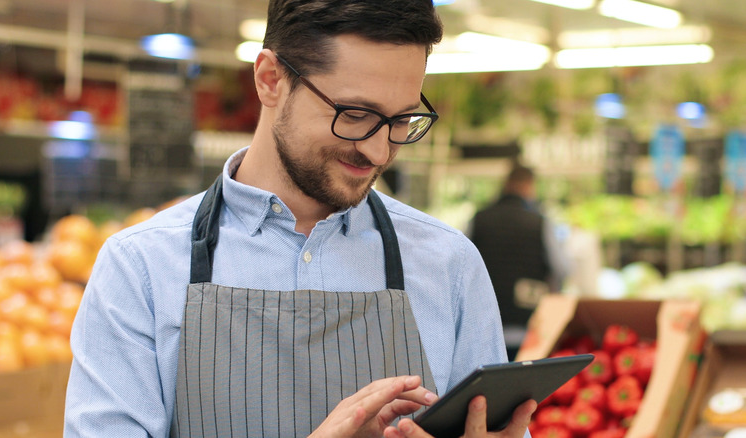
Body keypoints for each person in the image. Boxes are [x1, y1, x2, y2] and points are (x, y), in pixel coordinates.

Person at [64, 1, 536, 437]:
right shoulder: (140, 269)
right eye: (355, 114)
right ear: (271, 79)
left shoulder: (449, 265)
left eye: (401, 121)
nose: (378, 150)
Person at [467, 163, 571, 360]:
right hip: (529, 327)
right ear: (529, 186)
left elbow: (461, 266)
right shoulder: (540, 222)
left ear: (506, 184)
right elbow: (562, 269)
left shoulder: (478, 219)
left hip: (484, 326)